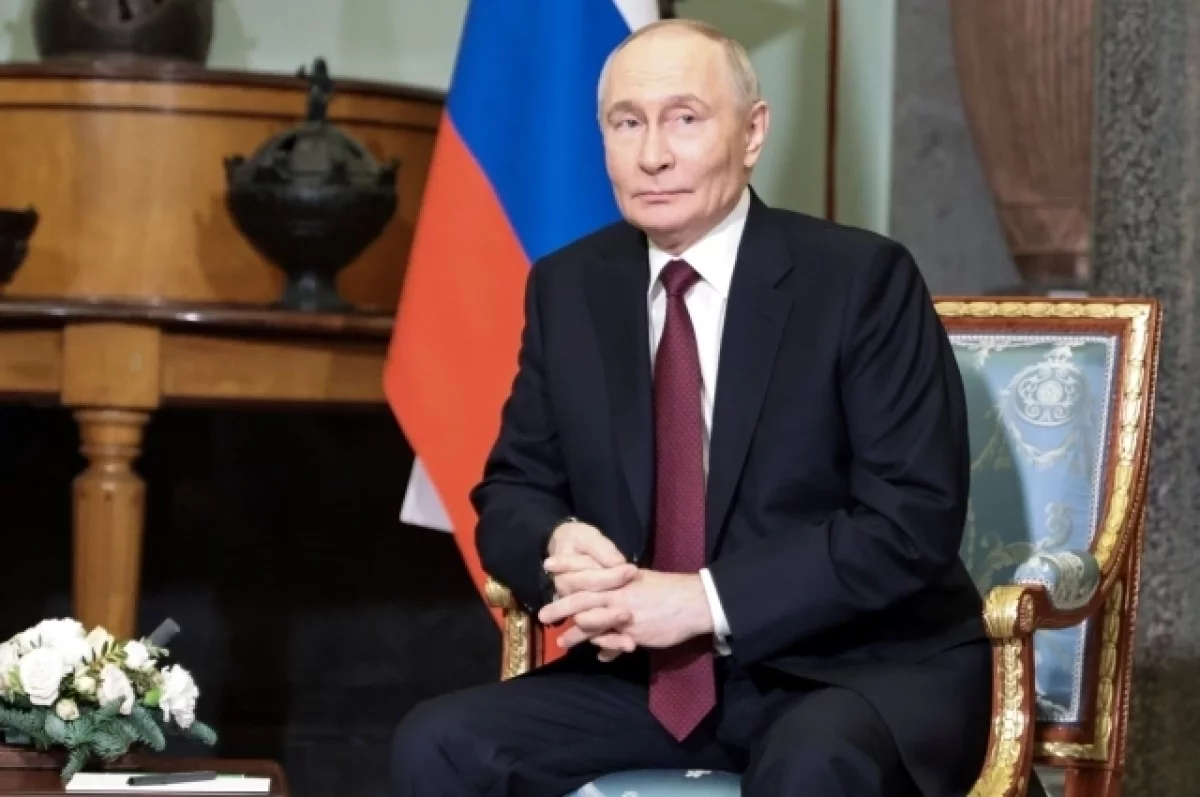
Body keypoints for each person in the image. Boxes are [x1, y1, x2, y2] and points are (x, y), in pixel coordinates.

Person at [391, 18, 990, 797]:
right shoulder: (570, 287)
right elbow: (511, 493)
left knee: (811, 764)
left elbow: (910, 520)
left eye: (684, 118)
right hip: (651, 678)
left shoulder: (860, 280)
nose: (653, 154)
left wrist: (702, 601)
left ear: (752, 133)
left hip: (851, 668)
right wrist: (560, 543)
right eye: (626, 123)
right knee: (439, 744)